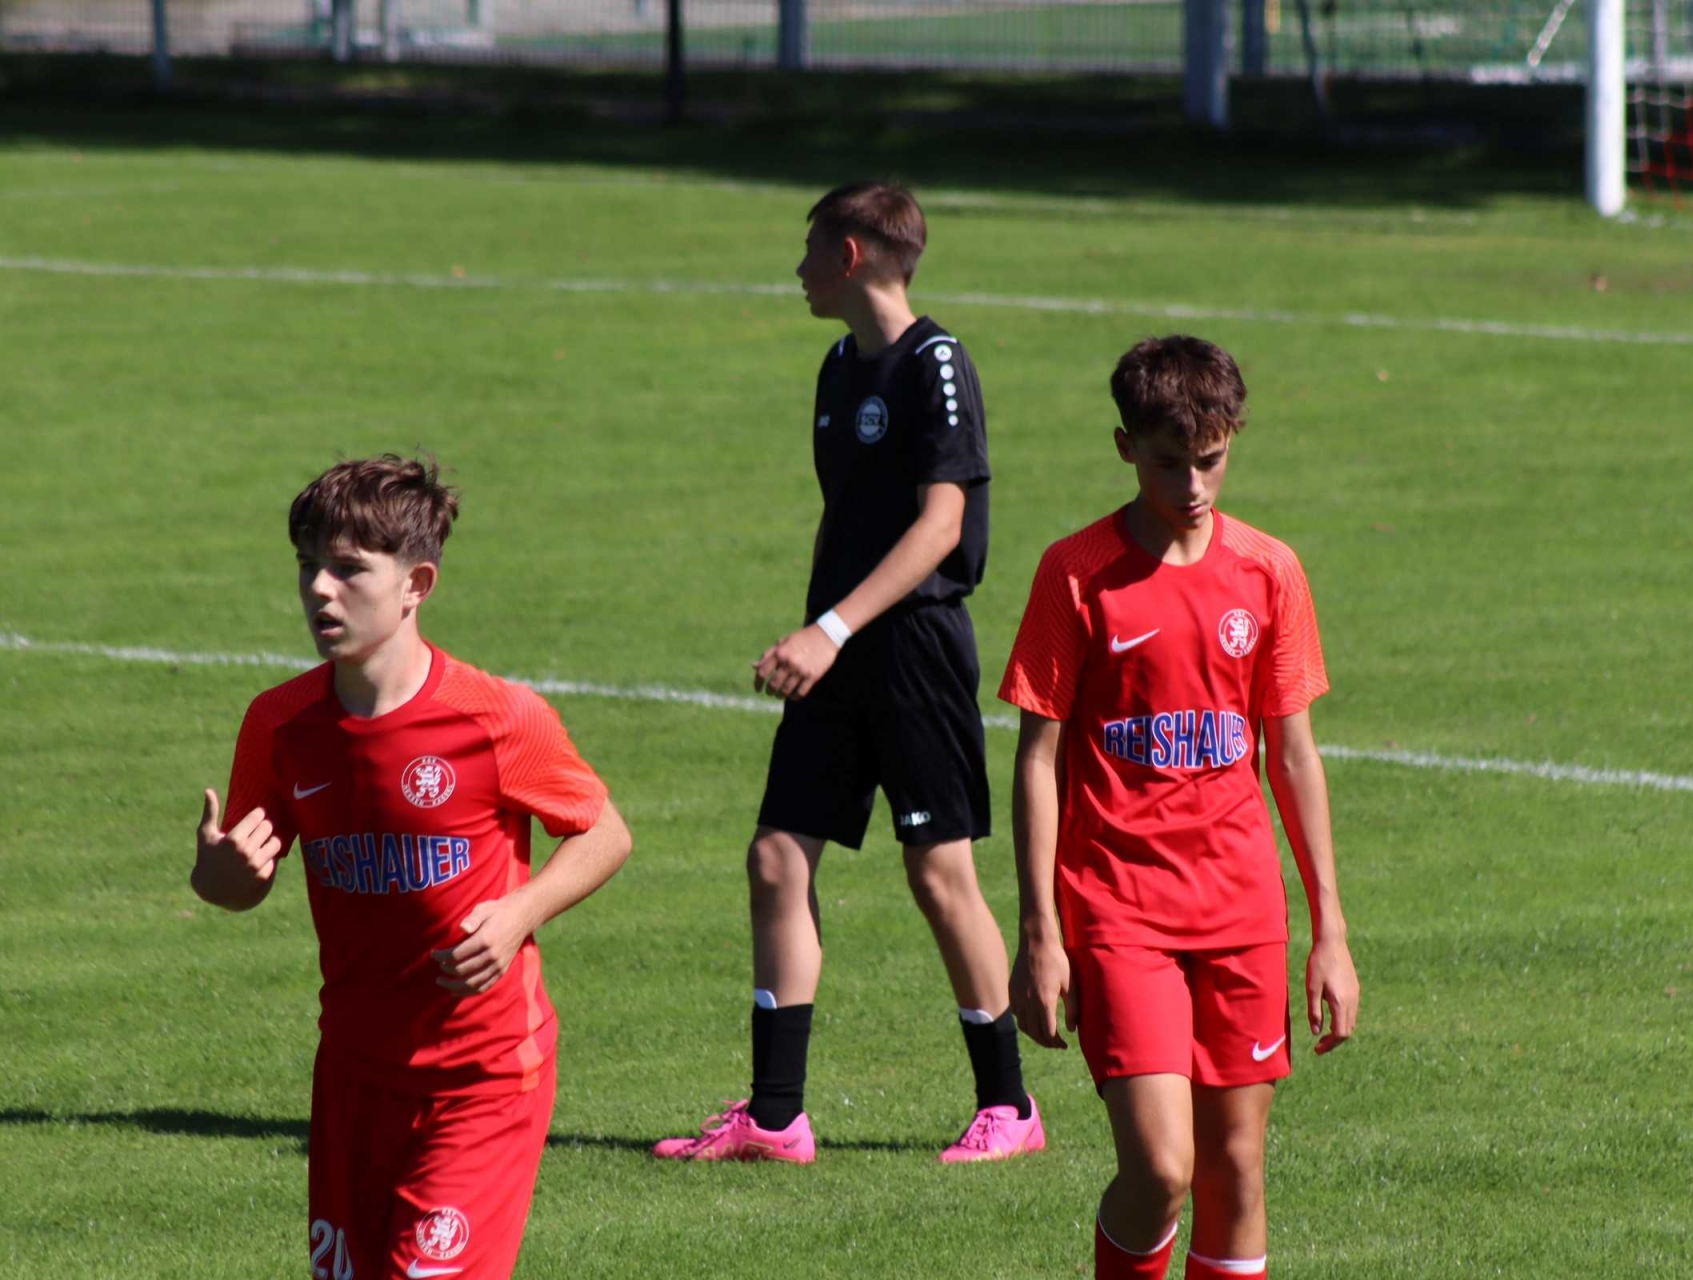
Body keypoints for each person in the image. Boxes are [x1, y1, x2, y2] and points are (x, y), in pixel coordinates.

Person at [654, 181, 1041, 1165]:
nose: (798, 269)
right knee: (776, 857)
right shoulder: (836, 367)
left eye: (810, 249)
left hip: (914, 648)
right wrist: (813, 630)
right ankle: (776, 1116)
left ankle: (1009, 1106)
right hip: (837, 646)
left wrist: (830, 628)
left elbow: (942, 525)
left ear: (853, 254)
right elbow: (843, 514)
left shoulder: (937, 362)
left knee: (938, 872)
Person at [190, 455, 631, 1280]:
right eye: (308, 566)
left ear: (415, 584)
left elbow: (604, 831)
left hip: (483, 1076)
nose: (320, 590)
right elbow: (237, 885)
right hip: (353, 1075)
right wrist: (220, 875)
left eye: (349, 569)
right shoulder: (281, 726)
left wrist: (521, 911)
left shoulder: (494, 718)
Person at [999, 337, 1360, 1279]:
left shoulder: (1269, 571)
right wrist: (1039, 932)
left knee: (1235, 1168)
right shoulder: (1076, 573)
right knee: (1162, 1168)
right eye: (1169, 463)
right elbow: (1037, 757)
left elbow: (1293, 755)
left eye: (1211, 459)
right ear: (1125, 447)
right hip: (1120, 910)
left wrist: (1330, 930)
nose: (1193, 485)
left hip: (1241, 909)